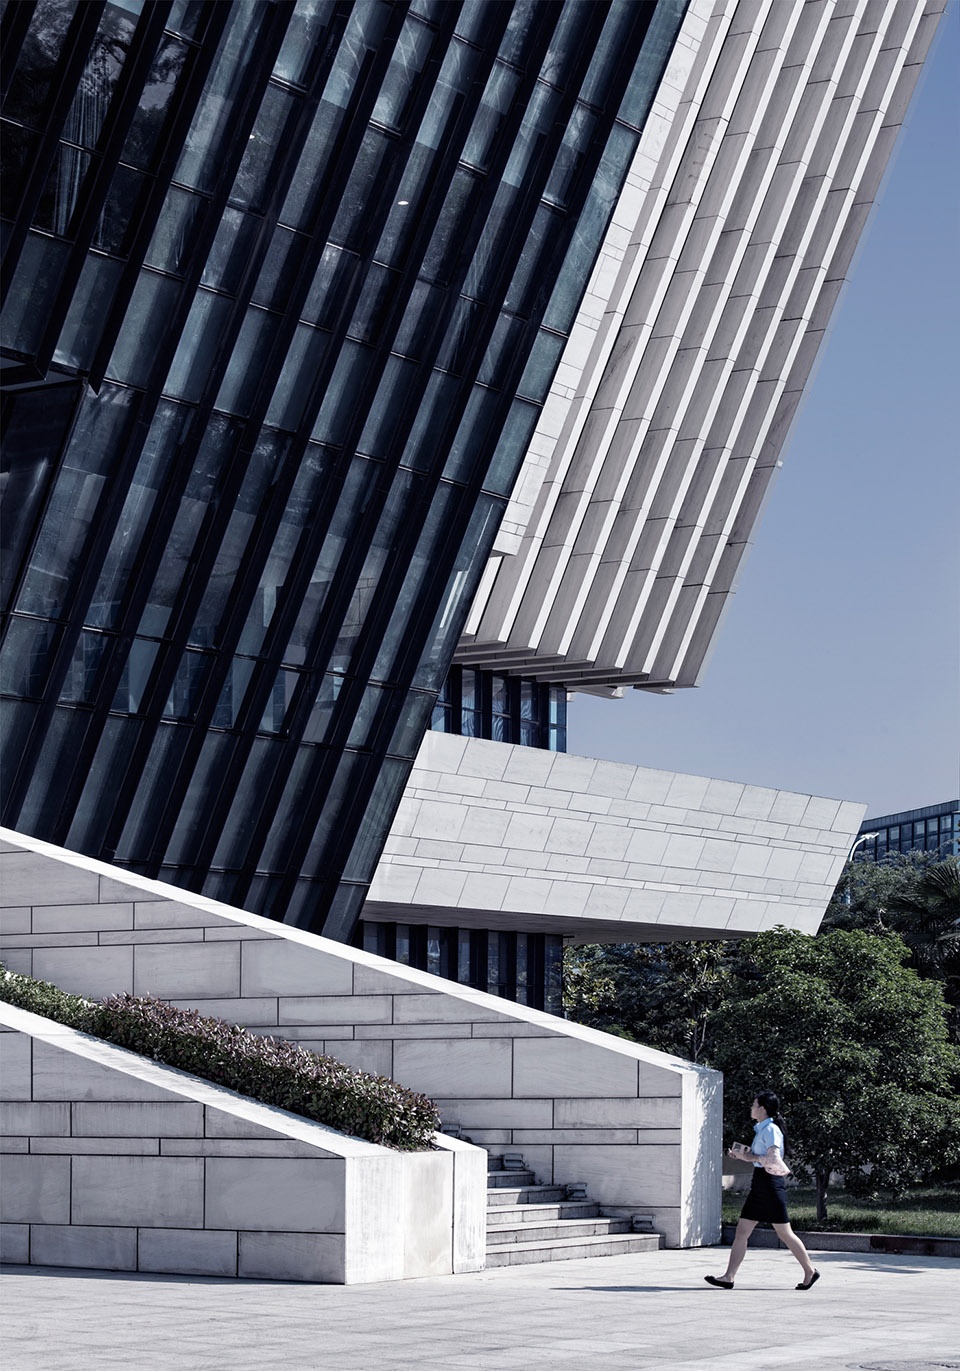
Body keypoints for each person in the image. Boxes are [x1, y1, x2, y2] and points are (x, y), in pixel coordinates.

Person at [704, 1089, 819, 1290]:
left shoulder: (771, 1129)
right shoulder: (761, 1129)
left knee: (784, 1232)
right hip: (760, 1183)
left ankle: (810, 1271)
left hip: (770, 1184)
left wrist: (748, 1157)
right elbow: (761, 1156)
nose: (751, 1108)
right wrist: (743, 1155)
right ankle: (728, 1276)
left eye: (754, 1105)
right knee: (742, 1231)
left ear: (762, 1109)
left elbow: (773, 1158)